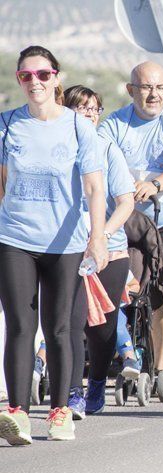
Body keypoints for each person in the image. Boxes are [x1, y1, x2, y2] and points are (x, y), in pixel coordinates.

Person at [0, 45, 108, 445]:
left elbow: (96, 187)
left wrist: (97, 237)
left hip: (65, 243)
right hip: (14, 239)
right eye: (26, 76)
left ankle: (60, 411)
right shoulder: (7, 125)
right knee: (19, 326)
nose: (35, 83)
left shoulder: (79, 128)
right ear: (19, 80)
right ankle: (18, 414)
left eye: (43, 75)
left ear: (57, 77)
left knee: (60, 328)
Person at [99, 61, 163, 394]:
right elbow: (98, 161)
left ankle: (160, 368)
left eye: (160, 88)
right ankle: (131, 358)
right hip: (127, 221)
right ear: (131, 90)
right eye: (145, 87)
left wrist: (156, 184)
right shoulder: (113, 124)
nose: (153, 94)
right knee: (131, 290)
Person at [64, 85, 136, 417]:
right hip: (66, 251)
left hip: (110, 251)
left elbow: (125, 202)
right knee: (71, 323)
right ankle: (73, 392)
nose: (90, 115)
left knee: (103, 329)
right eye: (81, 109)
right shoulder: (58, 148)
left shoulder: (109, 151)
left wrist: (101, 235)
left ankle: (95, 385)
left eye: (95, 109)